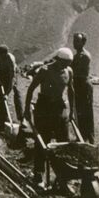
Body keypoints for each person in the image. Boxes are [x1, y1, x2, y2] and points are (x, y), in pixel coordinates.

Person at [24, 48, 75, 186]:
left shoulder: (68, 71)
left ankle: (62, 178)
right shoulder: (45, 70)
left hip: (59, 107)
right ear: (58, 60)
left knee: (63, 143)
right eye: (64, 63)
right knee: (42, 141)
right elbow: (31, 88)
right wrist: (27, 110)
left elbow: (71, 90)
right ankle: (38, 175)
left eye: (68, 63)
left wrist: (72, 111)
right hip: (44, 108)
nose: (66, 66)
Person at [0, 45, 23, 131]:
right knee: (2, 100)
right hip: (2, 72)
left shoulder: (10, 59)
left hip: (11, 74)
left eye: (4, 55)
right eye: (1, 55)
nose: (2, 57)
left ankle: (21, 118)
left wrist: (7, 94)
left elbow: (12, 78)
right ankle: (2, 124)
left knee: (16, 93)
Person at [72, 32, 94, 143]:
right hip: (78, 84)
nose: (74, 43)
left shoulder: (83, 56)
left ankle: (89, 137)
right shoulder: (77, 55)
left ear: (83, 42)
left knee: (85, 112)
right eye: (74, 40)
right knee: (80, 111)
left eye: (77, 41)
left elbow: (74, 70)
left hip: (83, 85)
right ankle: (83, 136)